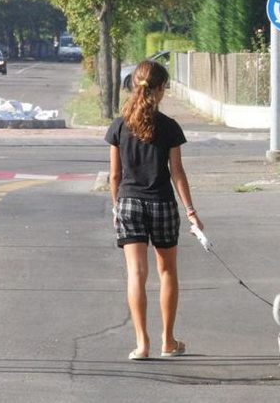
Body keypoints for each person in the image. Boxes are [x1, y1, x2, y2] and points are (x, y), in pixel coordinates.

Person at [105, 60, 203, 360]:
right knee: (167, 271)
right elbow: (177, 172)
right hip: (162, 203)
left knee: (136, 273)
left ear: (135, 85)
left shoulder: (119, 126)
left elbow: (115, 176)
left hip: (129, 203)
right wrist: (191, 211)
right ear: (160, 89)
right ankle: (168, 341)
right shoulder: (169, 127)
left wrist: (117, 207)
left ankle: (142, 344)